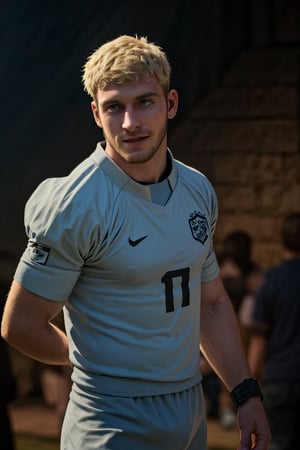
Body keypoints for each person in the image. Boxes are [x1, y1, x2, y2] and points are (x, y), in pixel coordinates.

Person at [1, 35, 270, 450]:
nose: (130, 122)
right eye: (114, 106)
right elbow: (21, 324)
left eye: (144, 101)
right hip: (109, 418)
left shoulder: (197, 189)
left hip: (188, 411)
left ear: (171, 104)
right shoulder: (77, 202)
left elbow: (211, 304)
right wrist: (94, 361)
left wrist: (245, 392)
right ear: (96, 113)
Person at [248, 212, 300, 450]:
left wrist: (250, 383)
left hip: (279, 379)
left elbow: (259, 338)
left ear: (282, 242)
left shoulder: (272, 280)